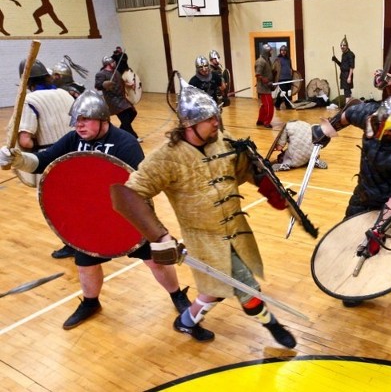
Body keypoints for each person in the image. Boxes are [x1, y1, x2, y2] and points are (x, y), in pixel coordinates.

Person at [109, 82, 297, 347]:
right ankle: (274, 327)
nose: (216, 123)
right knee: (246, 286)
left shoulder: (222, 140)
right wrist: (159, 235)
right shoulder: (165, 158)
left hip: (235, 229)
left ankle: (186, 321)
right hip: (204, 238)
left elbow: (246, 168)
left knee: (214, 290)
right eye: (209, 119)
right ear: (189, 125)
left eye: (215, 117)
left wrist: (272, 188)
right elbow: (128, 196)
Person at [0, 89, 191, 329]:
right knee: (85, 263)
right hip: (90, 216)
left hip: (126, 217)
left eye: (84, 120)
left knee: (154, 260)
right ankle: (91, 302)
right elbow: (43, 161)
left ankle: (177, 295)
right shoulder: (73, 140)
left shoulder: (125, 143)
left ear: (103, 119)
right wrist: (17, 159)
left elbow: (138, 188)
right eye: (76, 120)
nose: (78, 125)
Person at [311, 93, 391, 325]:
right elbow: (347, 114)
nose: (378, 132)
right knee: (350, 242)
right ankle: (358, 290)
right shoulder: (371, 116)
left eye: (387, 131)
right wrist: (326, 131)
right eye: (378, 125)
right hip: (364, 194)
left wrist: (377, 230)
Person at [9, 58, 76, 259]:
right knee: (77, 200)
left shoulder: (30, 101)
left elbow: (26, 140)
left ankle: (72, 243)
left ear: (26, 82)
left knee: (57, 206)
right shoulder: (65, 94)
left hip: (50, 160)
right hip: (76, 154)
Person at [95, 55, 141, 141]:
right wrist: (104, 84)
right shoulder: (101, 74)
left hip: (122, 98)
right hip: (113, 100)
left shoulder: (116, 72)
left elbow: (121, 82)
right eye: (112, 62)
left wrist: (129, 85)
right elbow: (98, 86)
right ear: (107, 64)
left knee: (133, 113)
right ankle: (134, 136)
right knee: (125, 118)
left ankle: (119, 132)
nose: (114, 63)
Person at [255, 43, 275, 128]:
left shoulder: (267, 60)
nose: (271, 52)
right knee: (269, 105)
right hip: (263, 88)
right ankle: (266, 122)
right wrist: (265, 80)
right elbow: (258, 74)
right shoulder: (260, 61)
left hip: (267, 87)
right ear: (266, 51)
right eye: (270, 51)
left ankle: (260, 120)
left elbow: (267, 72)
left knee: (264, 105)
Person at [332, 35, 355, 101]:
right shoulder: (344, 54)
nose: (342, 47)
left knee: (347, 90)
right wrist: (336, 60)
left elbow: (351, 66)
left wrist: (349, 77)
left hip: (347, 74)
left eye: (343, 45)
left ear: (347, 46)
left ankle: (347, 106)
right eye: (341, 46)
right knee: (347, 90)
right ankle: (349, 105)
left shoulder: (350, 54)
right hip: (343, 74)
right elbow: (342, 66)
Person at [272, 45, 294, 110]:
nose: (283, 52)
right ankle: (277, 104)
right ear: (280, 51)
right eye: (282, 50)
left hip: (288, 78)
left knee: (288, 92)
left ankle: (287, 105)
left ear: (286, 51)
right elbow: (274, 69)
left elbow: (290, 68)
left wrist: (292, 75)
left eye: (284, 51)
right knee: (283, 92)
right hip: (281, 78)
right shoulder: (277, 59)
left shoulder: (288, 59)